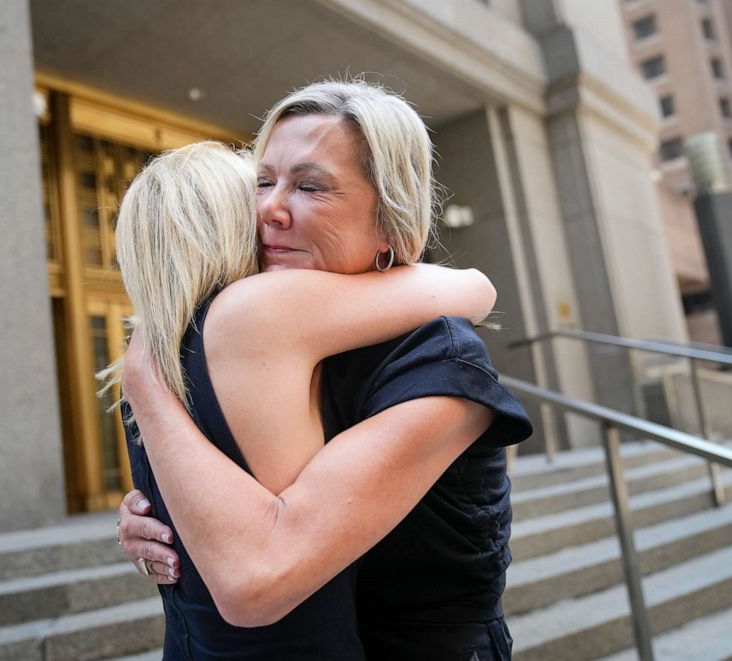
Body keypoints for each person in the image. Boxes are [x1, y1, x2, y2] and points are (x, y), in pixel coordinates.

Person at [117, 80, 533, 660]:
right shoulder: (252, 345)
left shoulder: (438, 362)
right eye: (263, 181)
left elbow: (258, 576)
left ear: (389, 224)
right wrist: (167, 518)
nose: (268, 208)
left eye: (311, 186)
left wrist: (146, 386)